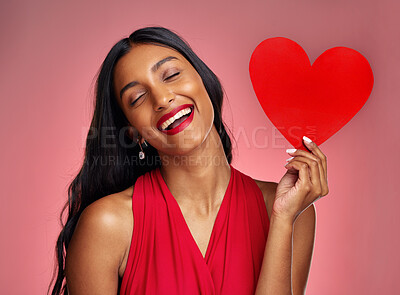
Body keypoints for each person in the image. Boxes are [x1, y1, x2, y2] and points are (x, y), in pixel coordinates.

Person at [48, 26, 329, 295]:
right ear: (133, 132)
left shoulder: (291, 213)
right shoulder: (107, 225)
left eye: (170, 75)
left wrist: (282, 220)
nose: (162, 98)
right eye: (138, 97)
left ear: (204, 80)